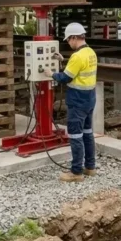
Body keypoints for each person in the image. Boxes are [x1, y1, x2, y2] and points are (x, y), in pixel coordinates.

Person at [46, 22, 98, 182]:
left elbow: (66, 77)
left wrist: (51, 74)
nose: (68, 42)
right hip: (90, 99)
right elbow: (78, 70)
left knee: (75, 136)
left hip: (77, 101)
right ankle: (90, 167)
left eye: (69, 39)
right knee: (88, 134)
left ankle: (76, 172)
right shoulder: (90, 52)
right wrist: (63, 60)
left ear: (75, 37)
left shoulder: (77, 56)